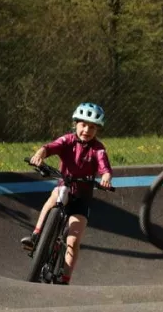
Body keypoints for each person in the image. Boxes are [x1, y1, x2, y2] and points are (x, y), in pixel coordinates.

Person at [21, 103, 113, 285]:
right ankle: (36, 235)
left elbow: (105, 168)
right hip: (65, 188)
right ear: (75, 124)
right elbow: (49, 147)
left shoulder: (98, 149)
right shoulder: (68, 140)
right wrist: (39, 155)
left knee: (73, 240)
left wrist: (106, 178)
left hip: (81, 199)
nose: (87, 130)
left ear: (97, 130)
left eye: (92, 127)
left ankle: (65, 279)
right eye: (83, 125)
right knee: (55, 194)